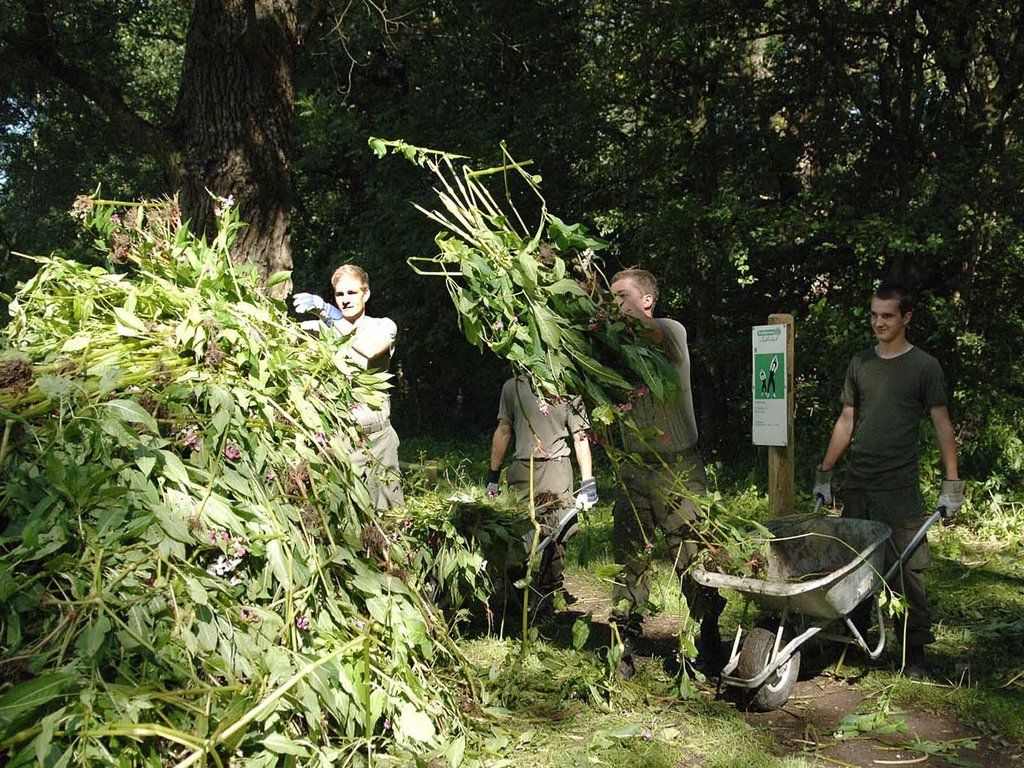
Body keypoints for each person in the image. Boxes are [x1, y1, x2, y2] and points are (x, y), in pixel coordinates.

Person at [814, 281, 965, 679]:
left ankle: (913, 652)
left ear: (906, 318)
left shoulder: (923, 367)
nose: (878, 322)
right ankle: (850, 640)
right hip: (858, 483)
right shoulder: (861, 363)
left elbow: (942, 424)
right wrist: (825, 472)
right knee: (852, 564)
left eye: (887, 315)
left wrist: (952, 484)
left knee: (907, 569)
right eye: (874, 315)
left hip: (898, 488)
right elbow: (846, 420)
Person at [607, 268, 723, 679]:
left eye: (621, 296)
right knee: (629, 559)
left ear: (647, 300)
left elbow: (649, 332)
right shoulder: (615, 350)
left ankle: (708, 637)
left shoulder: (670, 331)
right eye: (611, 297)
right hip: (634, 468)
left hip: (678, 469)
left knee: (692, 556)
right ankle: (624, 641)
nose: (614, 304)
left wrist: (602, 312)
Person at [292, 265, 404, 509]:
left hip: (378, 440)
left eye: (352, 293)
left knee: (389, 516)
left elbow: (370, 350)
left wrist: (329, 314)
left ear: (366, 294)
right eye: (339, 294)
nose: (345, 300)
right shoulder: (323, 328)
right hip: (341, 441)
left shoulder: (383, 326)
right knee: (346, 515)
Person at [486, 376, 598, 607]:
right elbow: (504, 430)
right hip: (522, 470)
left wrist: (588, 483)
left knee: (559, 532)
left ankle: (549, 592)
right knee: (516, 532)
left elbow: (580, 437)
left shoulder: (567, 387)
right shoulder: (513, 387)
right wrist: (492, 478)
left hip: (556, 469)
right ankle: (516, 597)